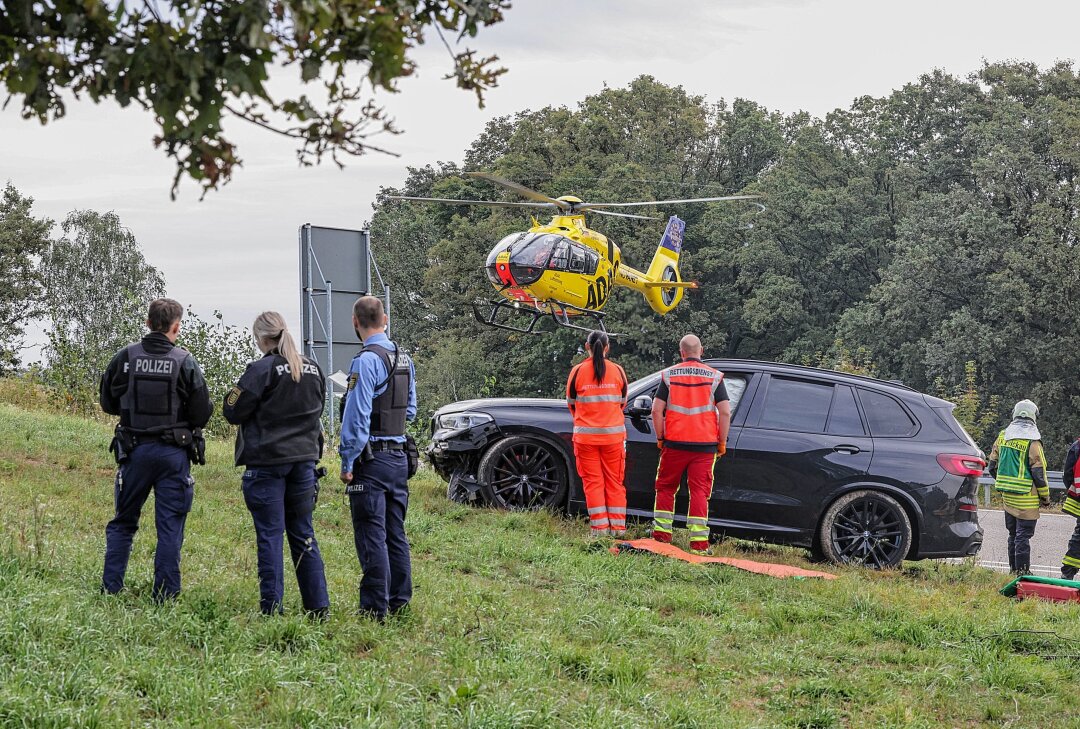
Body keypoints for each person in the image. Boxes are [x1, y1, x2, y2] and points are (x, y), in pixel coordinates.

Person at [99, 298, 213, 600]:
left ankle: (111, 589)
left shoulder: (124, 357)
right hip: (172, 454)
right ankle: (165, 595)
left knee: (123, 522)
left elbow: (107, 402)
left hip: (133, 452)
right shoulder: (185, 361)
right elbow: (202, 413)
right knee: (170, 527)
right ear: (176, 326)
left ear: (148, 324)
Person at [222, 312, 330, 617]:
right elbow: (319, 407)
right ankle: (318, 607)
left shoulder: (260, 370)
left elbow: (232, 410)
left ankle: (272, 608)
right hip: (304, 462)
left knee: (270, 536)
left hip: (267, 462)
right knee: (303, 533)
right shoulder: (312, 368)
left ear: (261, 337)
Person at [339, 296, 417, 620]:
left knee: (372, 535)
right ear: (384, 319)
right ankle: (399, 601)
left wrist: (347, 462)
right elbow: (410, 410)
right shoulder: (404, 359)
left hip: (371, 461)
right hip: (398, 458)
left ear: (355, 322)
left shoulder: (365, 361)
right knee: (395, 533)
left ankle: (374, 609)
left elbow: (356, 419)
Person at [651, 334, 730, 555]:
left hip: (674, 443)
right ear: (701, 351)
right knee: (699, 492)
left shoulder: (669, 375)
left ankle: (661, 537)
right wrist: (721, 442)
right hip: (705, 446)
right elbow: (724, 412)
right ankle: (698, 544)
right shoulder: (714, 377)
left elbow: (656, 410)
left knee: (666, 487)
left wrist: (660, 437)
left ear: (681, 352)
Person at [566, 330, 629, 536]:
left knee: (593, 483)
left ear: (587, 347)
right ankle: (618, 530)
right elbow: (622, 403)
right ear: (607, 347)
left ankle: (599, 530)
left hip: (585, 439)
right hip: (613, 439)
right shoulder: (618, 371)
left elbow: (572, 405)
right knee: (615, 483)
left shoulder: (577, 371)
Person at [988, 399, 1050, 575]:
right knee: (1023, 536)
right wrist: (1045, 498)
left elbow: (992, 467)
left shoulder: (1002, 437)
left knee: (1013, 534)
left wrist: (1005, 483)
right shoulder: (1033, 442)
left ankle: (1013, 570)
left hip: (1007, 497)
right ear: (1033, 417)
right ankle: (1023, 572)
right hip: (1026, 498)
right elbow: (1039, 475)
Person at [1059, 436, 1080, 579]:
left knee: (1079, 538)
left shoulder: (1077, 445)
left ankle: (1067, 574)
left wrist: (1074, 491)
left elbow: (1067, 474)